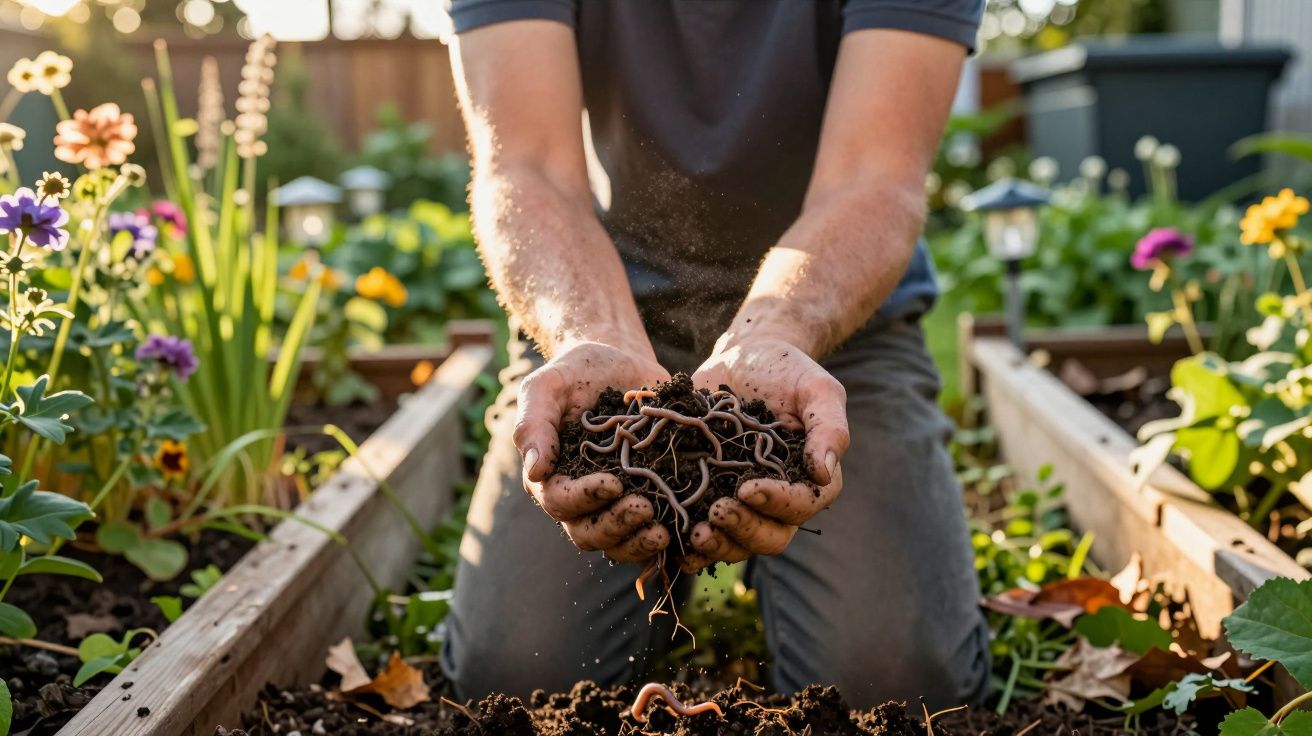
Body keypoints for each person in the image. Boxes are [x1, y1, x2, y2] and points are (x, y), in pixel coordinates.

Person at [440, 0, 991, 711]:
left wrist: (775, 332)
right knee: (515, 677)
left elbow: (874, 174)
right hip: (605, 331)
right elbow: (527, 165)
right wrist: (592, 334)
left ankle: (793, 572)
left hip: (834, 335)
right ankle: (663, 596)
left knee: (895, 686)